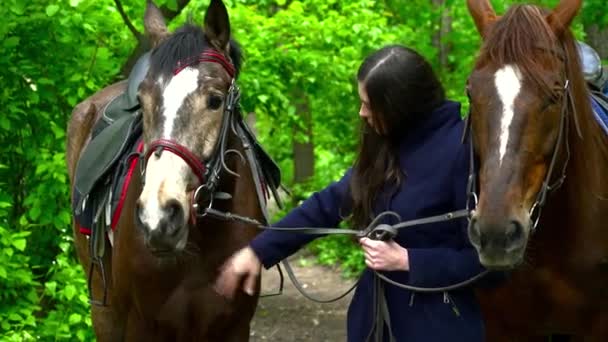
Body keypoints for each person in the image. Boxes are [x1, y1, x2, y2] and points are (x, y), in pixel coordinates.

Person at [215, 45, 487, 342]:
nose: (362, 112)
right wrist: (258, 251)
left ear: (400, 106)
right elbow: (328, 204)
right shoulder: (387, 143)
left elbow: (491, 266)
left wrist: (409, 261)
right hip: (372, 324)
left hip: (439, 329)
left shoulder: (463, 153)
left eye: (370, 105)